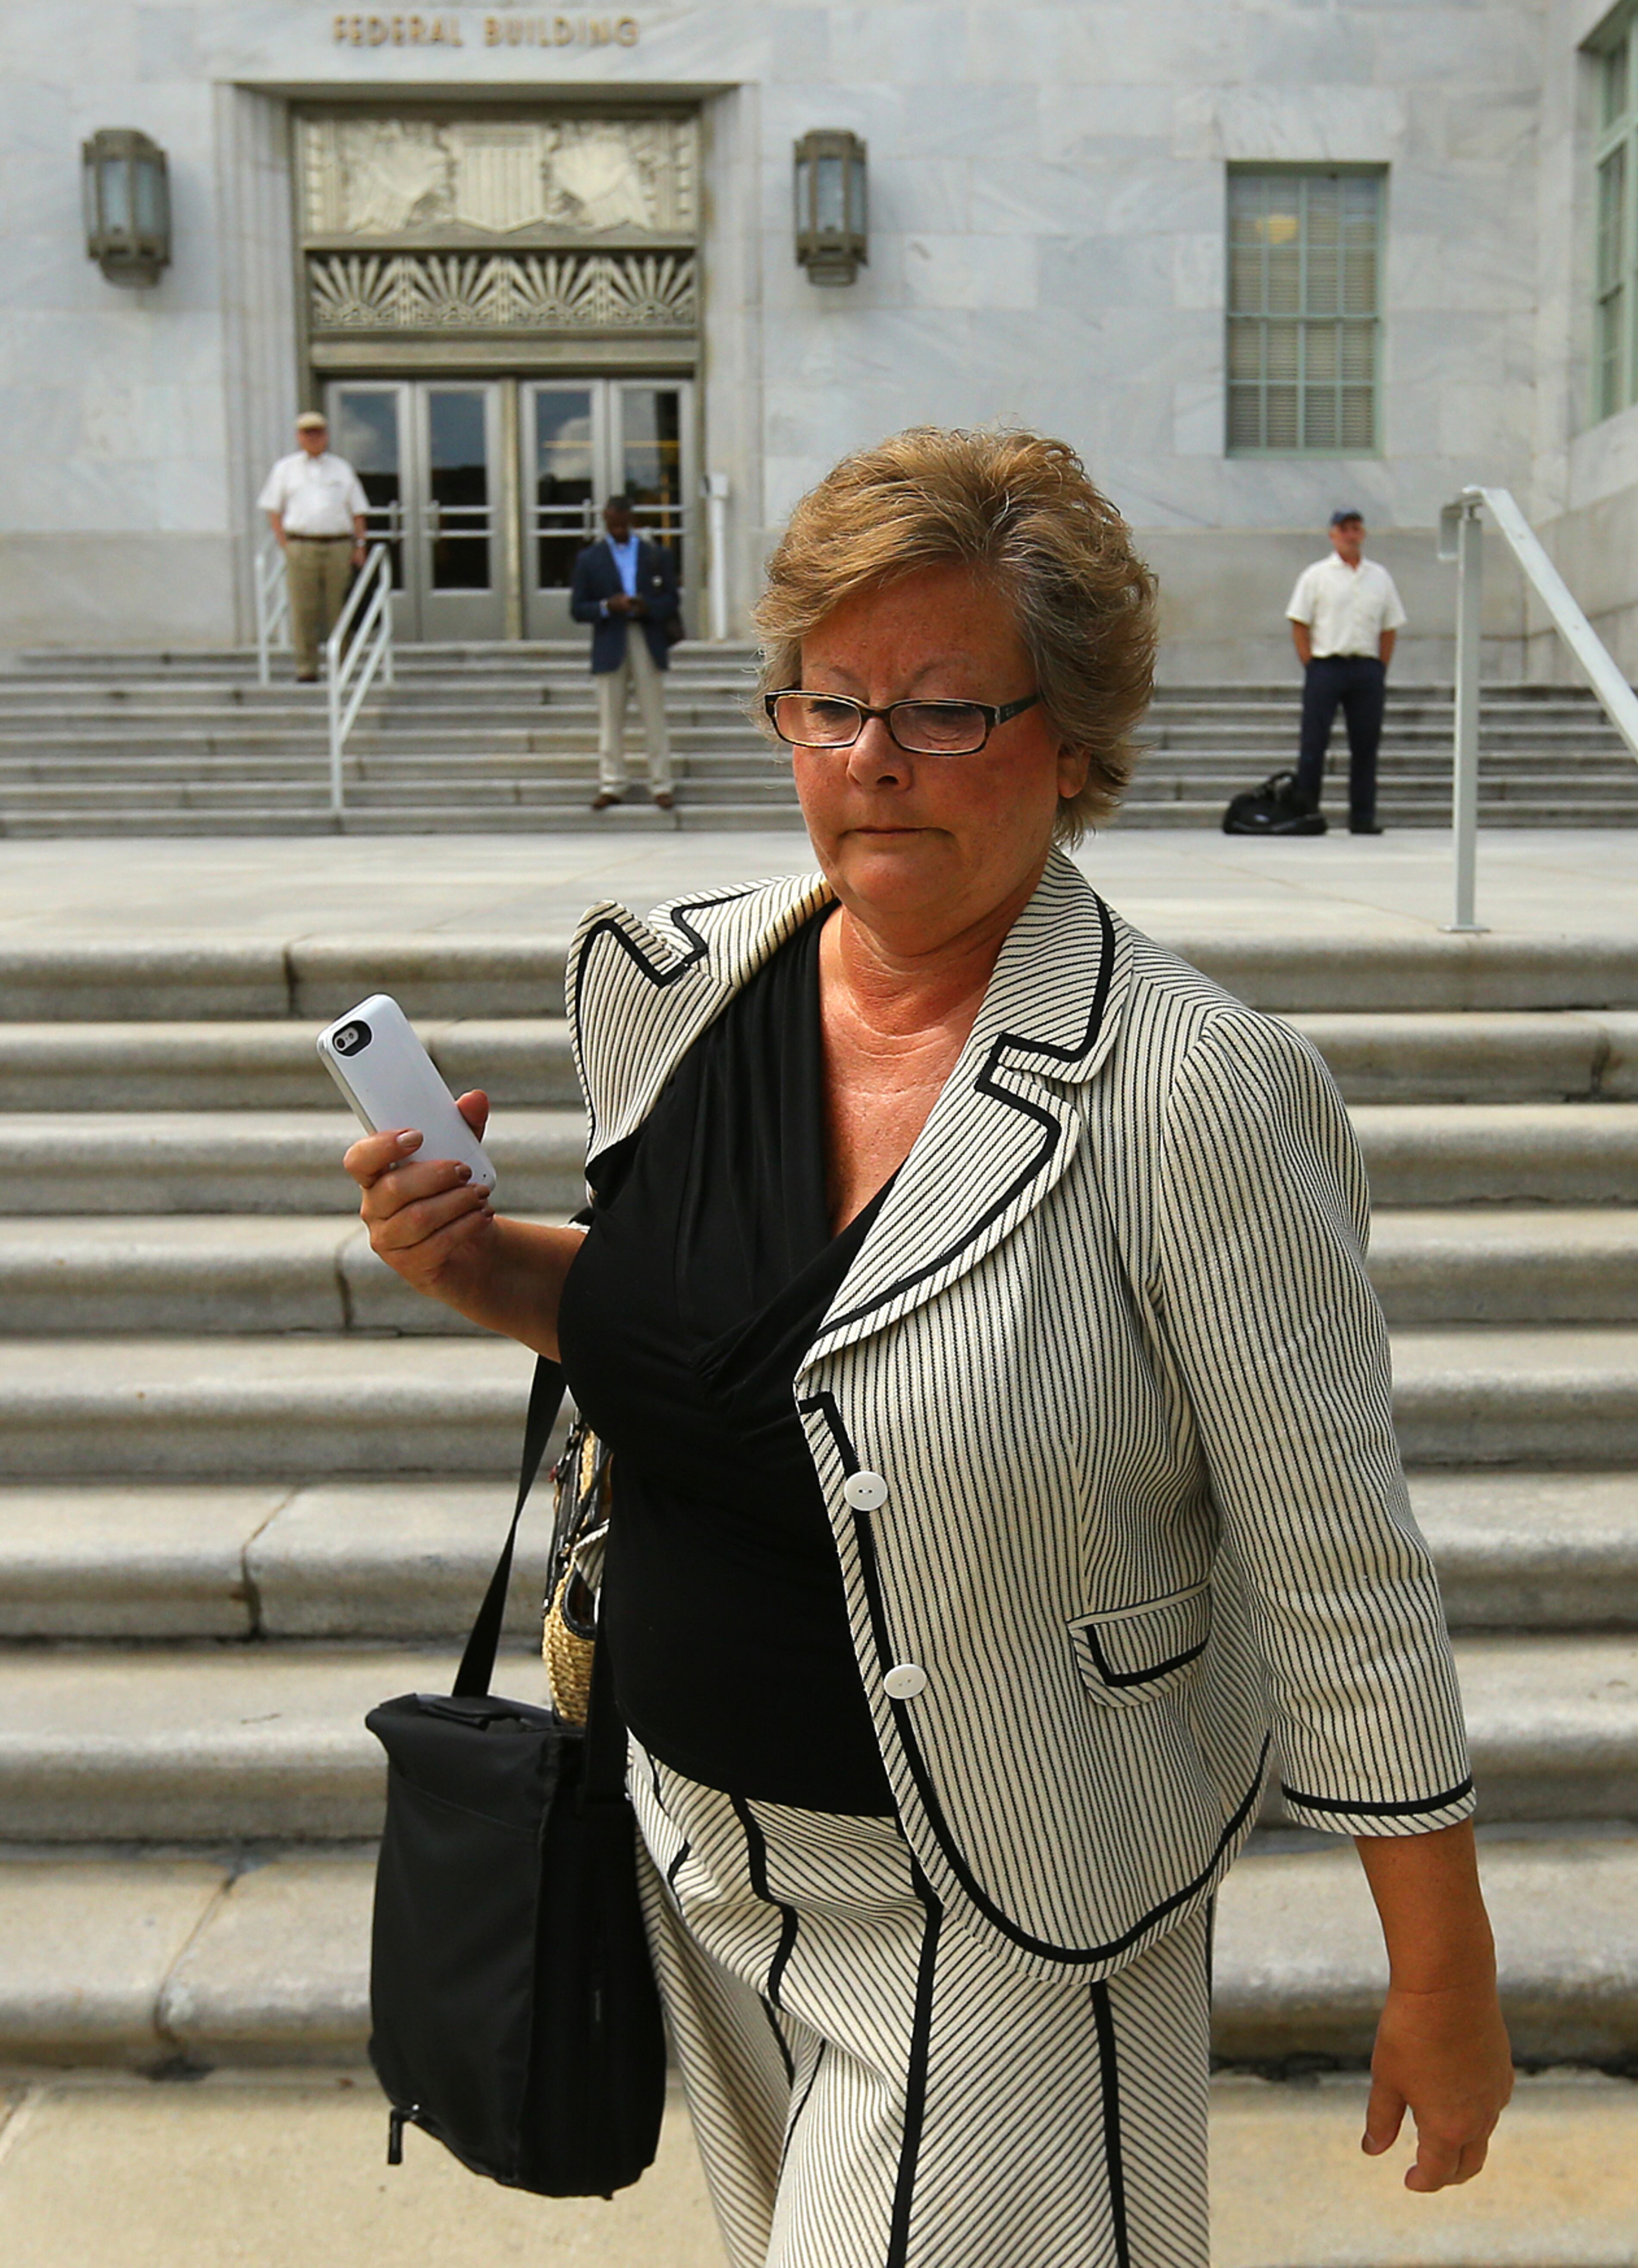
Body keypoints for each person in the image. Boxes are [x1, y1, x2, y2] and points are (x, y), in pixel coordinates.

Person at [346, 428, 1512, 2268]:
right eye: (829, 700)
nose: (871, 756)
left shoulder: (1198, 1090)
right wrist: (491, 1264)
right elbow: (733, 1343)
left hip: (1005, 1899)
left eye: (946, 709)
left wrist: (1441, 1964)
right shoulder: (672, 983)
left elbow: (1336, 1557)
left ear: (1073, 743)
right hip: (694, 1863)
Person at [1286, 508, 1407, 835]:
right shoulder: (1316, 576)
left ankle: (1363, 817)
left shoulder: (1380, 577)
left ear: (1363, 534)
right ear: (1333, 535)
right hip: (1326, 666)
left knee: (1366, 745)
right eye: (1344, 529)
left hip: (1366, 668)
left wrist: (1380, 668)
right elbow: (1299, 623)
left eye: (1356, 528)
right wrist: (1311, 664)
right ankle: (1307, 814)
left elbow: (1390, 626)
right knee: (1314, 744)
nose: (1350, 535)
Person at [569, 495, 679, 811]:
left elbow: (671, 599)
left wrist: (648, 606)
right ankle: (612, 783)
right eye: (613, 522)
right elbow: (578, 608)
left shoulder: (654, 554)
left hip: (646, 637)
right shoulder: (590, 558)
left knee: (654, 715)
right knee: (610, 718)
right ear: (605, 520)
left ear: (631, 520)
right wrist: (608, 606)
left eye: (623, 522)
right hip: (610, 640)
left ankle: (661, 783)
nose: (618, 527)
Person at [257, 412, 369, 683]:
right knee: (303, 609)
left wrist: (360, 545)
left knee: (339, 608)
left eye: (318, 432)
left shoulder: (341, 469)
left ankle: (342, 665)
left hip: (338, 546)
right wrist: (284, 543)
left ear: (326, 436)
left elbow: (358, 511)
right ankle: (306, 667)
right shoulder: (285, 469)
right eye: (308, 433)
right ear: (299, 437)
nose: (314, 438)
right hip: (301, 545)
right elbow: (273, 509)